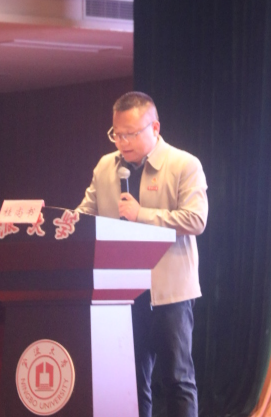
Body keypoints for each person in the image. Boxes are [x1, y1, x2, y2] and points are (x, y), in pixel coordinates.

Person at [77, 92, 208, 417]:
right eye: (117, 134)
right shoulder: (105, 167)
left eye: (131, 134)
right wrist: (56, 222)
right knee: (131, 382)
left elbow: (196, 220)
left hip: (170, 293)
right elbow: (85, 214)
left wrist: (142, 215)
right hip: (121, 292)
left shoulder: (184, 164)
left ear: (155, 128)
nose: (122, 142)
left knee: (177, 379)